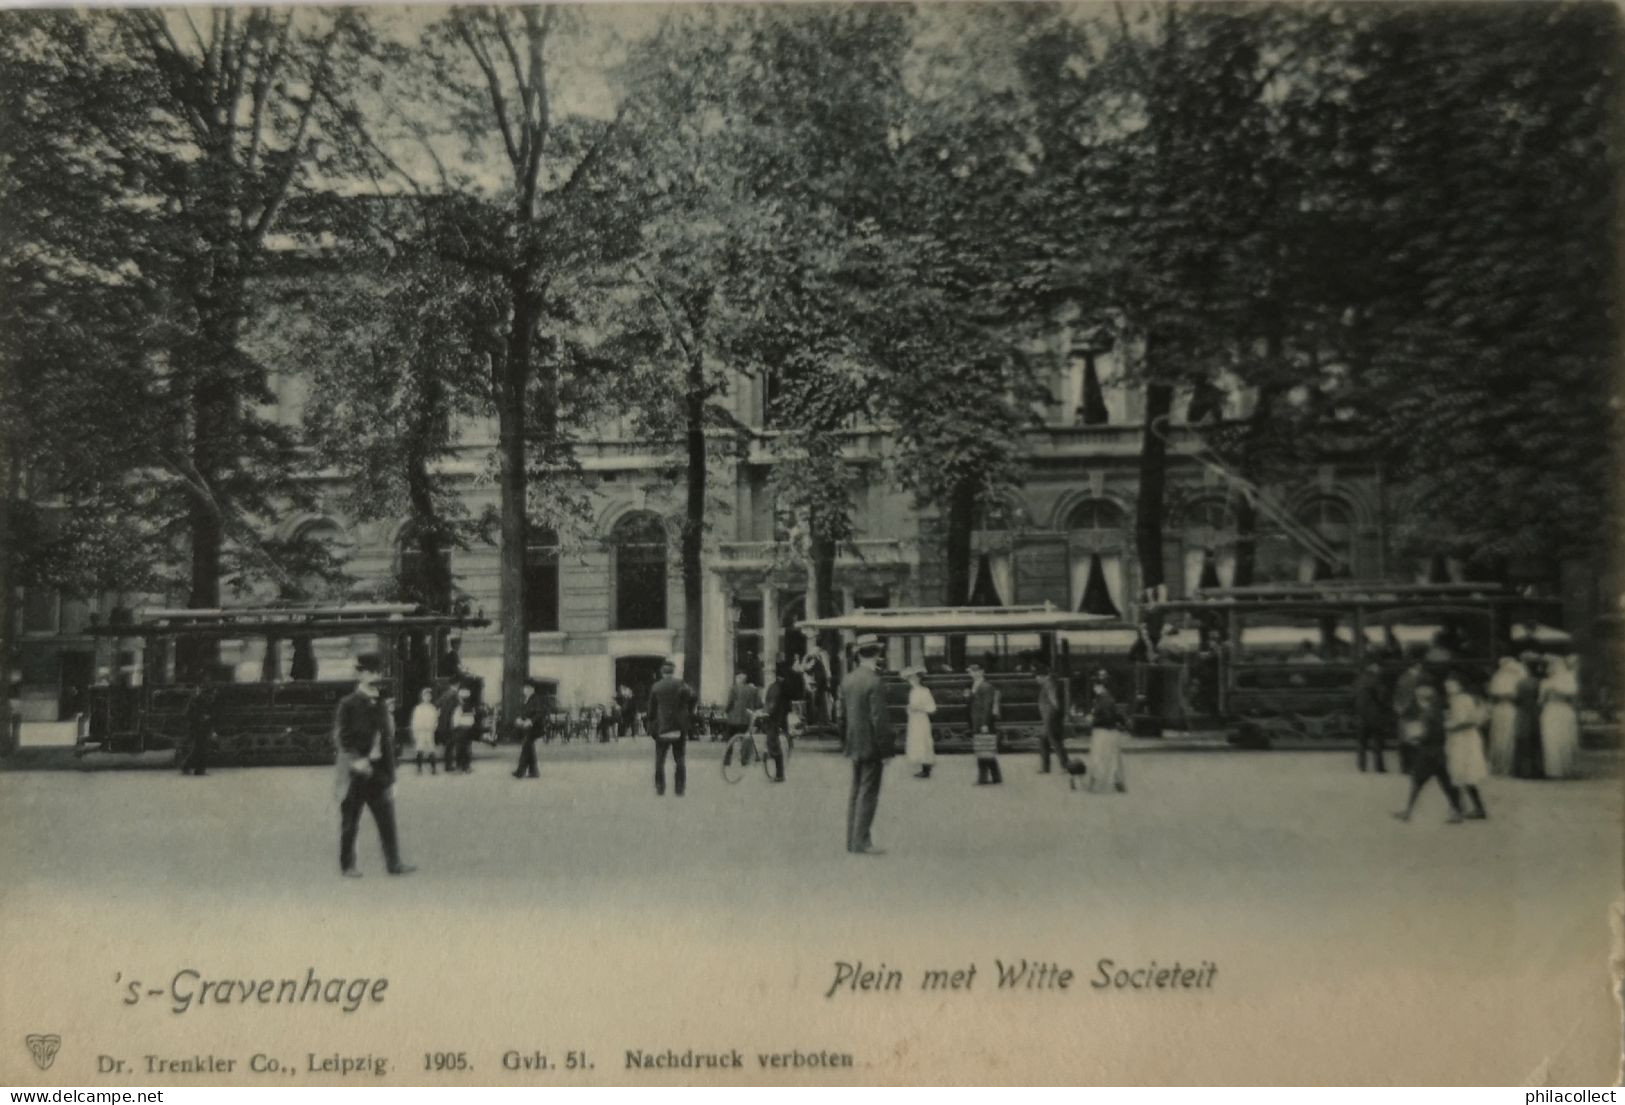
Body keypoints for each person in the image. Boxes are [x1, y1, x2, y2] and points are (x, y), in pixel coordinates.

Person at [334, 653, 414, 877]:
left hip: (378, 772)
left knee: (387, 821)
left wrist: (392, 777)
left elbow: (387, 741)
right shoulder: (348, 704)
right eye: (368, 671)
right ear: (360, 674)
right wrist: (355, 760)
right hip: (356, 774)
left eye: (376, 671)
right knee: (350, 822)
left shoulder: (380, 704)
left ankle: (394, 863)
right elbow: (342, 737)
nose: (373, 675)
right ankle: (347, 865)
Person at [841, 635, 894, 855]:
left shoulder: (848, 680)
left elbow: (842, 717)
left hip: (854, 742)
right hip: (872, 745)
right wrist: (886, 750)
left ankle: (852, 840)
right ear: (877, 654)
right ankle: (862, 841)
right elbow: (879, 720)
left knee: (855, 792)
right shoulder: (875, 681)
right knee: (868, 793)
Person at [1394, 683, 1464, 824]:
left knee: (1417, 781)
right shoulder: (1437, 711)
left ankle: (1408, 811)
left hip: (1427, 753)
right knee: (1447, 783)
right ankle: (1457, 811)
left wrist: (1415, 739)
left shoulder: (1427, 714)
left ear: (1422, 699)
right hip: (1440, 752)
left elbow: (1427, 734)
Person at [1442, 673, 1489, 819]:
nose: (1448, 687)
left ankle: (1459, 808)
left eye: (1451, 684)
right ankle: (1471, 807)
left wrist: (1448, 727)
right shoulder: (1458, 699)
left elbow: (1468, 721)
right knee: (1461, 772)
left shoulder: (1462, 699)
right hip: (1464, 738)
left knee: (1459, 770)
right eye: (1447, 685)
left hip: (1464, 739)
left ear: (1459, 685)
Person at [647, 659, 695, 797]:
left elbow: (651, 710)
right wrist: (687, 712)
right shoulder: (681, 684)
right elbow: (692, 697)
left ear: (662, 672)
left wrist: (652, 722)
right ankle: (679, 788)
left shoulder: (656, 687)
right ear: (673, 671)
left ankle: (660, 787)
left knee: (659, 759)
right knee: (679, 758)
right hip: (679, 726)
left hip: (662, 727)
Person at [1085, 671, 1127, 794]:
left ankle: (1099, 785)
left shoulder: (1104, 699)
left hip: (1103, 732)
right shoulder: (1107, 698)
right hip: (1108, 732)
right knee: (1111, 759)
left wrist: (1093, 720)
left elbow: (1108, 718)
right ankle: (1116, 784)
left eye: (1095, 687)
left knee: (1099, 758)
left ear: (1098, 687)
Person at [1539, 655, 1581, 779]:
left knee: (1559, 739)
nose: (1550, 669)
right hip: (1557, 711)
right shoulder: (1566, 680)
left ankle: (1559, 770)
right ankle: (1557, 770)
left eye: (1552, 666)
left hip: (1555, 710)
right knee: (1553, 739)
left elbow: (1541, 701)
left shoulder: (1547, 682)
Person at [1485, 654, 1525, 776]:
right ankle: (1497, 765)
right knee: (1498, 736)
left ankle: (1508, 766)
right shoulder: (1498, 678)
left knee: (1509, 736)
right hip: (1499, 710)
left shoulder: (1517, 678)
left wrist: (1508, 697)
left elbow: (1519, 697)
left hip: (1510, 709)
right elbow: (1492, 696)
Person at [1353, 659, 1392, 773]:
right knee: (1377, 742)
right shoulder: (1377, 680)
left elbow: (1353, 695)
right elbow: (1382, 697)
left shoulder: (1359, 679)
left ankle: (1362, 766)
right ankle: (1379, 767)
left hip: (1360, 715)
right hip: (1375, 715)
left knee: (1361, 743)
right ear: (1374, 667)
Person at [1511, 653, 1546, 779]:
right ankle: (1537, 770)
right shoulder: (1539, 682)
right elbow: (1542, 699)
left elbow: (1516, 699)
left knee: (1523, 740)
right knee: (1535, 741)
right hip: (1535, 712)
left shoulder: (1520, 683)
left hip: (1523, 713)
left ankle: (1521, 771)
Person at [1392, 651, 1427, 774]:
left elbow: (1398, 697)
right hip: (1413, 713)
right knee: (1414, 740)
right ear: (1418, 666)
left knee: (1405, 741)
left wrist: (1399, 708)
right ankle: (1413, 767)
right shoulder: (1418, 678)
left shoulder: (1403, 677)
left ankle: (1406, 767)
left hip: (1403, 712)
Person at [1035, 662, 1073, 775]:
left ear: (1042, 676)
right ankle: (1046, 767)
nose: (1036, 680)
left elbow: (1054, 700)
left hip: (1051, 718)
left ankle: (1065, 765)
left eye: (1037, 678)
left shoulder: (1049, 683)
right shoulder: (1051, 682)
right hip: (1050, 717)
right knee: (1044, 740)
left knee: (1055, 741)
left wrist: (1057, 715)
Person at [968, 662, 1002, 785]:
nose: (972, 673)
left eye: (975, 670)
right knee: (984, 749)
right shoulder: (976, 685)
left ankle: (983, 779)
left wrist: (985, 724)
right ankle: (996, 777)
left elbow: (987, 707)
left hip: (982, 723)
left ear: (982, 672)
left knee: (983, 749)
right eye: (971, 671)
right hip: (978, 722)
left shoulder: (985, 686)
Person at [903, 667, 938, 779]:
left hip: (922, 719)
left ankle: (926, 768)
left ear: (918, 679)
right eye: (910, 679)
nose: (912, 680)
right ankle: (922, 766)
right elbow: (911, 707)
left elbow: (932, 707)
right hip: (914, 720)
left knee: (924, 741)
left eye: (914, 678)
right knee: (916, 742)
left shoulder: (925, 691)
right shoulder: (912, 691)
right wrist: (910, 709)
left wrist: (920, 708)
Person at [438, 683, 480, 774]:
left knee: (463, 748)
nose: (463, 700)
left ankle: (463, 766)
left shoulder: (462, 707)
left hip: (461, 728)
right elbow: (460, 719)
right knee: (462, 748)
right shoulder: (459, 707)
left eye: (464, 698)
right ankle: (462, 766)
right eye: (462, 698)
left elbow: (463, 719)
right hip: (461, 729)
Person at [511, 680, 549, 780]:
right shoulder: (526, 699)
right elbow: (524, 712)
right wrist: (519, 718)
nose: (525, 690)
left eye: (528, 688)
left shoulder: (536, 699)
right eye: (525, 688)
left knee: (525, 747)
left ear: (532, 689)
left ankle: (520, 771)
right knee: (529, 748)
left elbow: (540, 713)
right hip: (527, 728)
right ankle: (534, 772)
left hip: (535, 728)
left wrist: (531, 721)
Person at [180, 675, 215, 777]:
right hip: (199, 725)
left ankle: (192, 767)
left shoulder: (199, 695)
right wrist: (203, 717)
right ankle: (196, 769)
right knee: (201, 748)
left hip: (199, 724)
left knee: (199, 748)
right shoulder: (198, 696)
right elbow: (193, 710)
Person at [724, 672, 761, 742]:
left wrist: (726, 711)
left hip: (733, 719)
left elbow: (730, 702)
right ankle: (744, 752)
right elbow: (758, 704)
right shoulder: (753, 690)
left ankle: (729, 752)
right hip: (747, 719)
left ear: (738, 679)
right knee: (745, 738)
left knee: (730, 739)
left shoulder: (733, 689)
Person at [409, 687, 438, 775]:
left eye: (429, 696)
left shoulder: (433, 708)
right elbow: (414, 721)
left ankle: (433, 768)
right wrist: (415, 733)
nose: (427, 698)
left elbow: (435, 720)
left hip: (429, 731)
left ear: (431, 697)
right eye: (425, 696)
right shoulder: (418, 708)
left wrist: (433, 728)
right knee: (420, 749)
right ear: (422, 697)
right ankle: (419, 768)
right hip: (421, 731)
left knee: (431, 749)